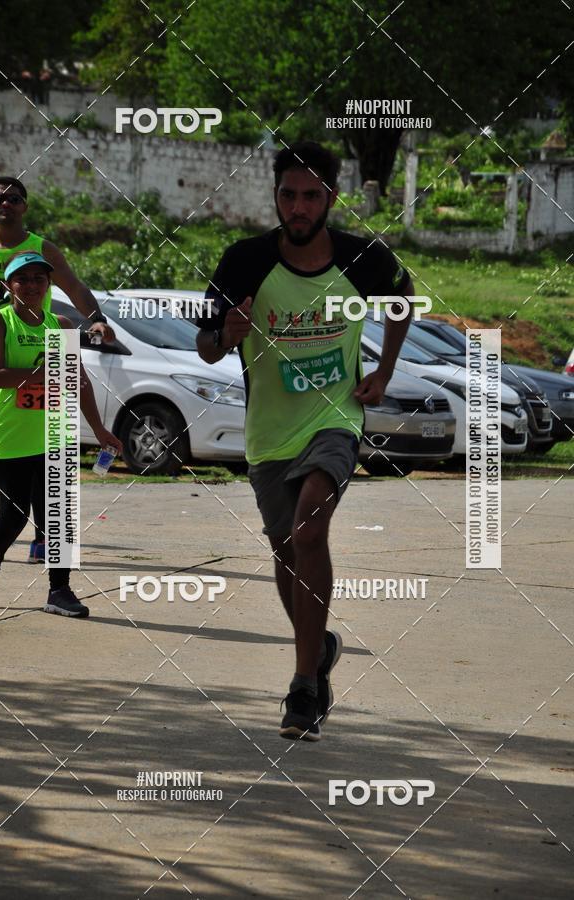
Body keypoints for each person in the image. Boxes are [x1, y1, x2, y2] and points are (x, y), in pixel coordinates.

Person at [196, 141, 413, 741]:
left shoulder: (363, 258)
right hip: (269, 432)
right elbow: (206, 346)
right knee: (287, 550)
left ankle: (302, 687)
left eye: (310, 196)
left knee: (310, 527)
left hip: (335, 418)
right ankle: (317, 654)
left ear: (331, 198)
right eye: (288, 195)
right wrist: (226, 334)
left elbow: (403, 301)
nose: (298, 207)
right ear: (276, 196)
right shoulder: (244, 261)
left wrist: (384, 371)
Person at [0, 176, 115, 564]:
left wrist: (97, 319)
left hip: (37, 357)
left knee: (47, 450)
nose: (6, 204)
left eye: (14, 198)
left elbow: (75, 287)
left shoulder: (41, 249)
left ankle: (44, 540)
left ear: (25, 206)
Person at [0, 251, 122, 616]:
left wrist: (100, 429)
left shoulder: (61, 325)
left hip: (56, 431)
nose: (31, 285)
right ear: (9, 285)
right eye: (22, 279)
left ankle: (60, 591)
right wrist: (46, 372)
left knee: (60, 514)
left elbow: (79, 381)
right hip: (11, 434)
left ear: (48, 284)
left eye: (39, 279)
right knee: (14, 515)